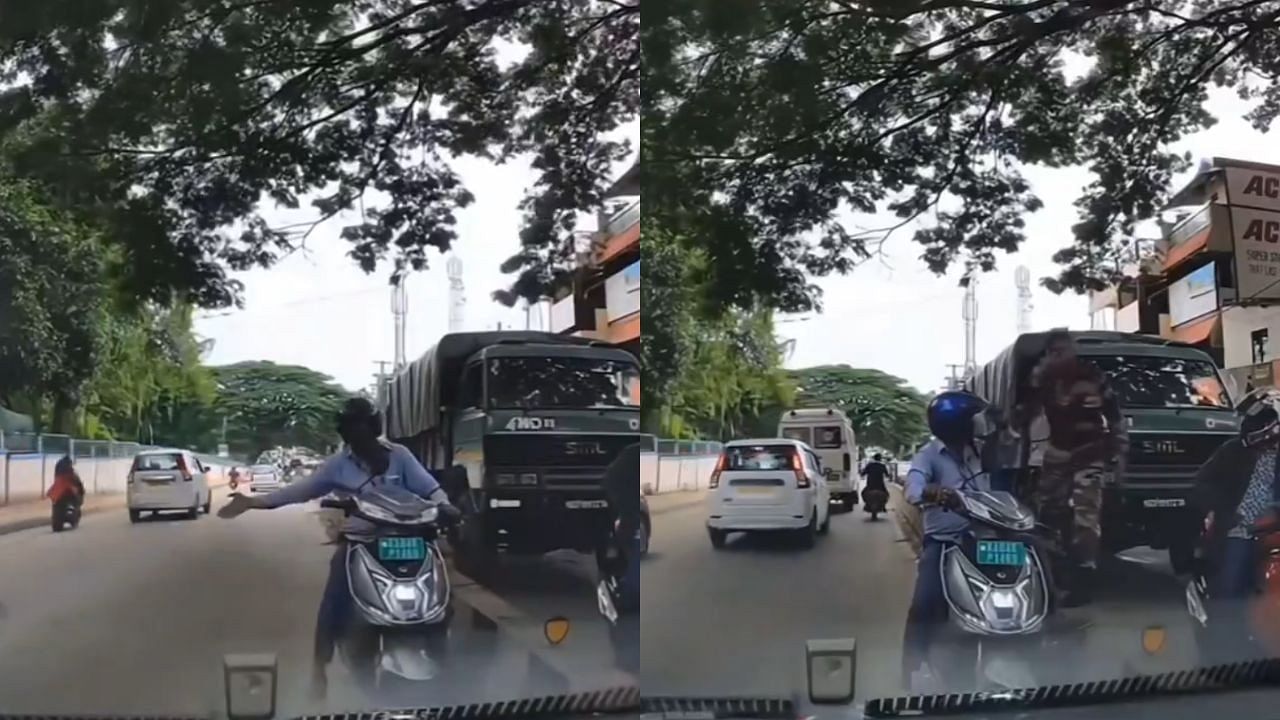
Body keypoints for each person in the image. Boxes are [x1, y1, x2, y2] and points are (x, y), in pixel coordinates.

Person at [218, 396, 455, 698]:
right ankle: (319, 669)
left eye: (363, 427)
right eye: (351, 429)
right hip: (362, 541)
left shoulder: (400, 456)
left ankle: (442, 648)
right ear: (345, 434)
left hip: (412, 538)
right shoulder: (337, 466)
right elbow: (299, 491)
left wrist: (446, 506)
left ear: (374, 427)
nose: (358, 435)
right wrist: (254, 502)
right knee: (335, 597)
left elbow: (429, 488)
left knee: (443, 591)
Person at [1017, 329, 1126, 607]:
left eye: (1064, 351)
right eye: (1055, 352)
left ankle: (1083, 579)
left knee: (1086, 519)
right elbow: (1023, 414)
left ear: (1073, 351)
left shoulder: (1093, 376)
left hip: (1091, 452)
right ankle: (1053, 571)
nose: (1060, 357)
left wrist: (1118, 456)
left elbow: (1115, 418)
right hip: (1058, 452)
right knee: (1046, 512)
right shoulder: (1042, 378)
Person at [901, 389, 992, 689]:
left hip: (984, 541)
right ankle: (911, 667)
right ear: (956, 424)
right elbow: (912, 488)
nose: (978, 425)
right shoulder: (928, 456)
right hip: (945, 543)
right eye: (971, 420)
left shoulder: (980, 452)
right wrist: (933, 491)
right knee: (924, 601)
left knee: (1038, 570)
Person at [1188, 387, 1280, 662]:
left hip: (1275, 530)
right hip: (1241, 531)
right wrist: (1227, 511)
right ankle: (1223, 654)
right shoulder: (1231, 452)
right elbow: (1200, 485)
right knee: (1230, 588)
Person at [601, 442, 642, 611]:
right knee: (633, 543)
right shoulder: (634, 454)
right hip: (627, 501)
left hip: (622, 498)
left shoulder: (631, 452)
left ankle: (627, 589)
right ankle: (630, 592)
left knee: (629, 541)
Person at [47, 455, 85, 528]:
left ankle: (71, 513)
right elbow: (79, 485)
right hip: (66, 492)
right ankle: (71, 513)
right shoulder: (70, 474)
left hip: (63, 492)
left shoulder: (59, 475)